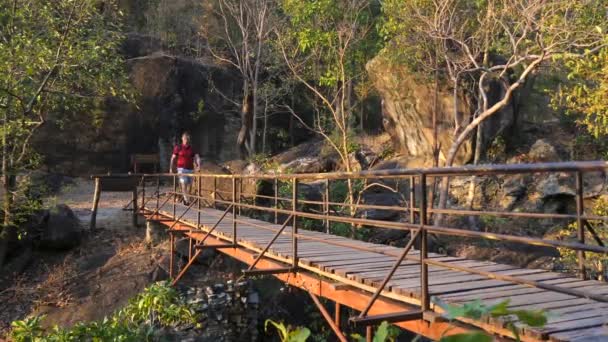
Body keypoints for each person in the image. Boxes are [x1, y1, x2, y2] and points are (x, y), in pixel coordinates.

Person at [170, 132, 200, 205]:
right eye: (185, 138)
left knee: (190, 185)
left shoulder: (192, 148)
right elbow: (173, 158)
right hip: (181, 169)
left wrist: (199, 165)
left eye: (187, 139)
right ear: (182, 139)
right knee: (184, 183)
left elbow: (197, 157)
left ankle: (187, 198)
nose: (186, 140)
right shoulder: (178, 147)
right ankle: (186, 200)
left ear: (189, 140)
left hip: (190, 169)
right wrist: (171, 168)